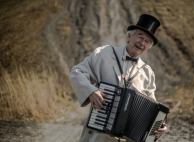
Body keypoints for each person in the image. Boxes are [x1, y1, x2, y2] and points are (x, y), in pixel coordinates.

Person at [69, 14, 167, 142]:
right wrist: (91, 91)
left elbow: (153, 109)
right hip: (99, 137)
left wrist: (159, 124)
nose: (142, 43)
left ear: (148, 46)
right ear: (129, 36)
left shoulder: (148, 73)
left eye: (147, 41)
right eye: (140, 37)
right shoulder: (104, 54)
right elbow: (77, 71)